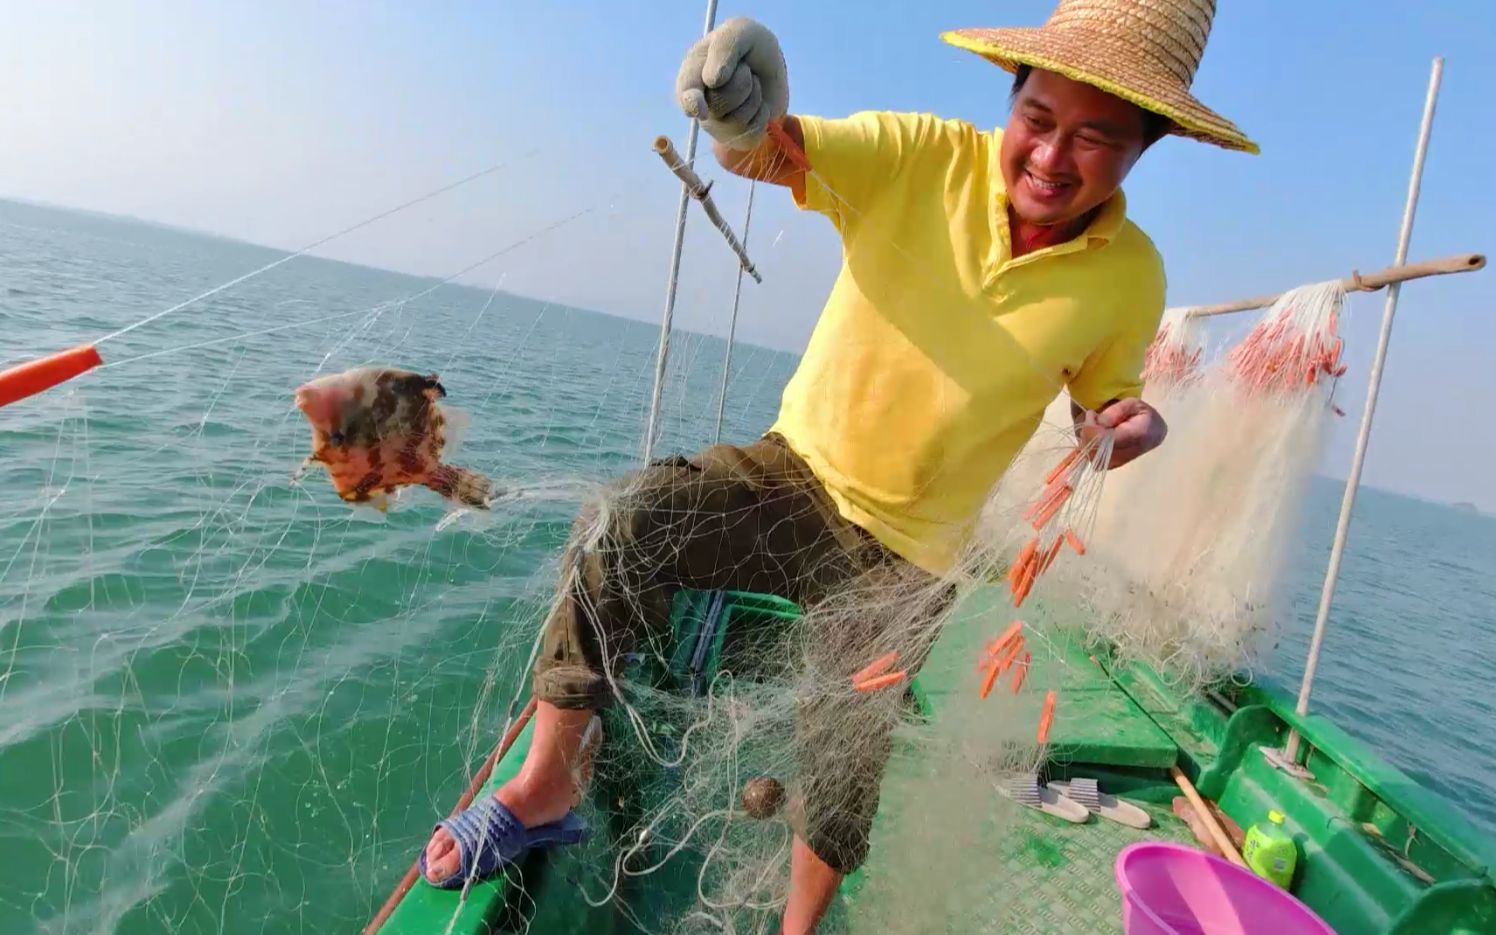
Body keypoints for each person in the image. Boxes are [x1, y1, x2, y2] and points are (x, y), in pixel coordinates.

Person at [418, 1, 1256, 931]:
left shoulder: (1132, 273)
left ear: (1147, 147)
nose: (1053, 158)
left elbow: (1105, 402)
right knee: (626, 521)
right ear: (1011, 103)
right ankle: (543, 787)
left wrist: (1131, 427)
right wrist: (737, 112)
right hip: (796, 474)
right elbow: (769, 155)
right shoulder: (920, 154)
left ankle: (798, 924)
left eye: (1095, 138)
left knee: (850, 752)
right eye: (1039, 121)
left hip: (917, 558)